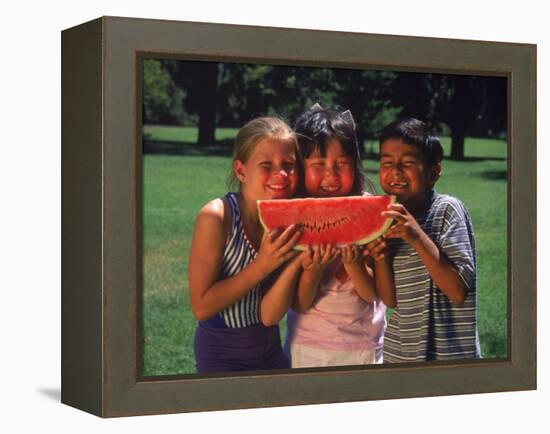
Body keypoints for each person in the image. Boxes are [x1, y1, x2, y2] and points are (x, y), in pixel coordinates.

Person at [188, 116, 304, 373]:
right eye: (266, 165)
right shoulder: (217, 216)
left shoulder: (288, 220)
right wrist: (261, 266)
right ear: (241, 171)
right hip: (221, 357)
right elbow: (201, 306)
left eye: (289, 164)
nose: (281, 174)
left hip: (272, 351)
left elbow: (272, 313)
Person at [284, 105, 394, 368]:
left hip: (363, 347)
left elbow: (372, 295)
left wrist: (353, 264)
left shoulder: (371, 210)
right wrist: (313, 270)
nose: (331, 175)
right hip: (307, 345)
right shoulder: (293, 213)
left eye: (341, 164)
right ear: (301, 166)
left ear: (354, 165)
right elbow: (299, 303)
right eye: (319, 164)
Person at [378, 117, 481, 362]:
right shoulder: (387, 219)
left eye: (408, 163)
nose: (395, 172)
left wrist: (416, 236)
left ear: (434, 172)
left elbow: (457, 292)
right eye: (387, 163)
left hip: (452, 358)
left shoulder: (447, 210)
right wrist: (378, 255)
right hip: (400, 356)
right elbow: (390, 300)